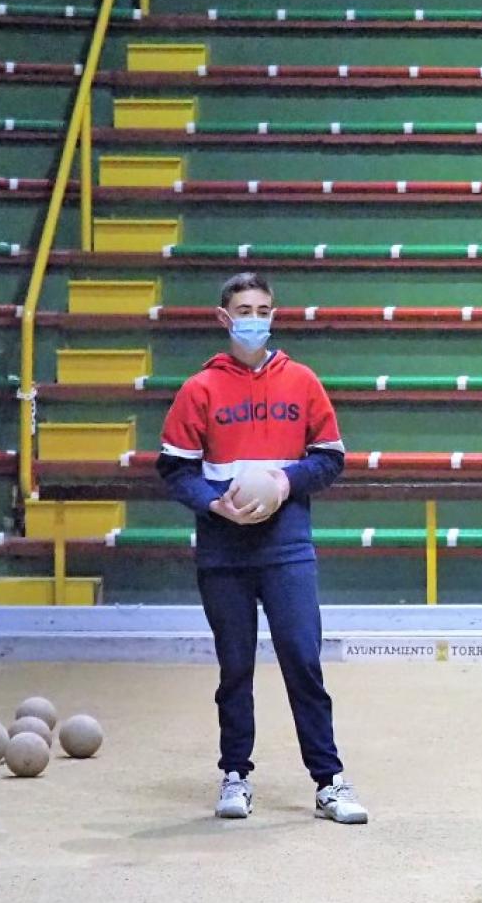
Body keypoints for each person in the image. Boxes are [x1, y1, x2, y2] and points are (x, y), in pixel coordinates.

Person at [157, 271, 366, 824]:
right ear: (224, 318)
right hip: (223, 554)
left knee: (303, 660)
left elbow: (330, 458)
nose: (254, 319)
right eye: (244, 310)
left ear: (273, 315)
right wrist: (213, 504)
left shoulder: (302, 381)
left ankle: (329, 781)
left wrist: (284, 483)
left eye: (263, 309)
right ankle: (235, 774)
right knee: (235, 667)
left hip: (287, 549)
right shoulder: (199, 389)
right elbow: (174, 470)